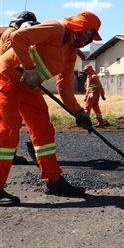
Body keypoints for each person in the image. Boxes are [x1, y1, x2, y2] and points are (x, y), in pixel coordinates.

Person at [0, 11, 102, 206]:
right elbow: (18, 37)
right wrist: (29, 68)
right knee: (8, 131)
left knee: (44, 130)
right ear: (80, 28)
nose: (89, 41)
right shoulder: (55, 29)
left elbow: (64, 87)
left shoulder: (71, 53)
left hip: (28, 85)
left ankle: (53, 181)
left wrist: (78, 112)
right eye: (90, 34)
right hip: (6, 77)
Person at [0, 11, 40, 166]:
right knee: (11, 123)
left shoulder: (9, 33)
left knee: (12, 122)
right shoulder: (12, 33)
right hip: (9, 83)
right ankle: (8, 155)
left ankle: (11, 153)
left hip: (11, 81)